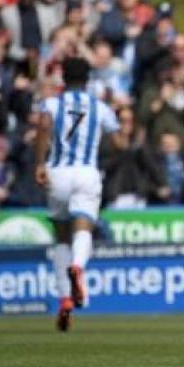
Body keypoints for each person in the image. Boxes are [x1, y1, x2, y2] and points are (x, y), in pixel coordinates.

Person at [34, 57, 122, 332]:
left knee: (61, 235)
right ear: (87, 79)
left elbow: (44, 127)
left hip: (57, 172)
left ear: (63, 77)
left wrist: (39, 163)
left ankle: (64, 301)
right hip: (86, 172)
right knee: (84, 225)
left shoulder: (50, 103)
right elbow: (120, 142)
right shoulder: (100, 107)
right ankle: (79, 266)